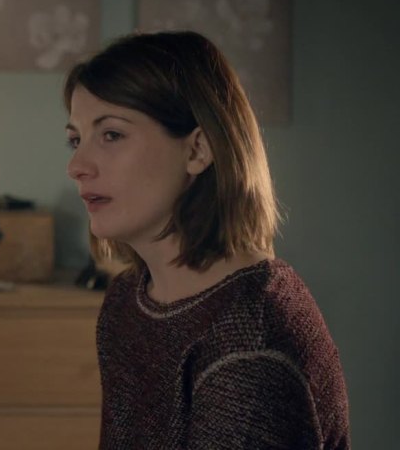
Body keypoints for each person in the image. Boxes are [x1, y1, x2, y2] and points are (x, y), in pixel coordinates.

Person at [63, 31, 350, 449]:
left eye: (111, 135)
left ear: (197, 150)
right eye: (75, 139)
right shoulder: (127, 301)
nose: (76, 165)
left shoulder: (250, 341)